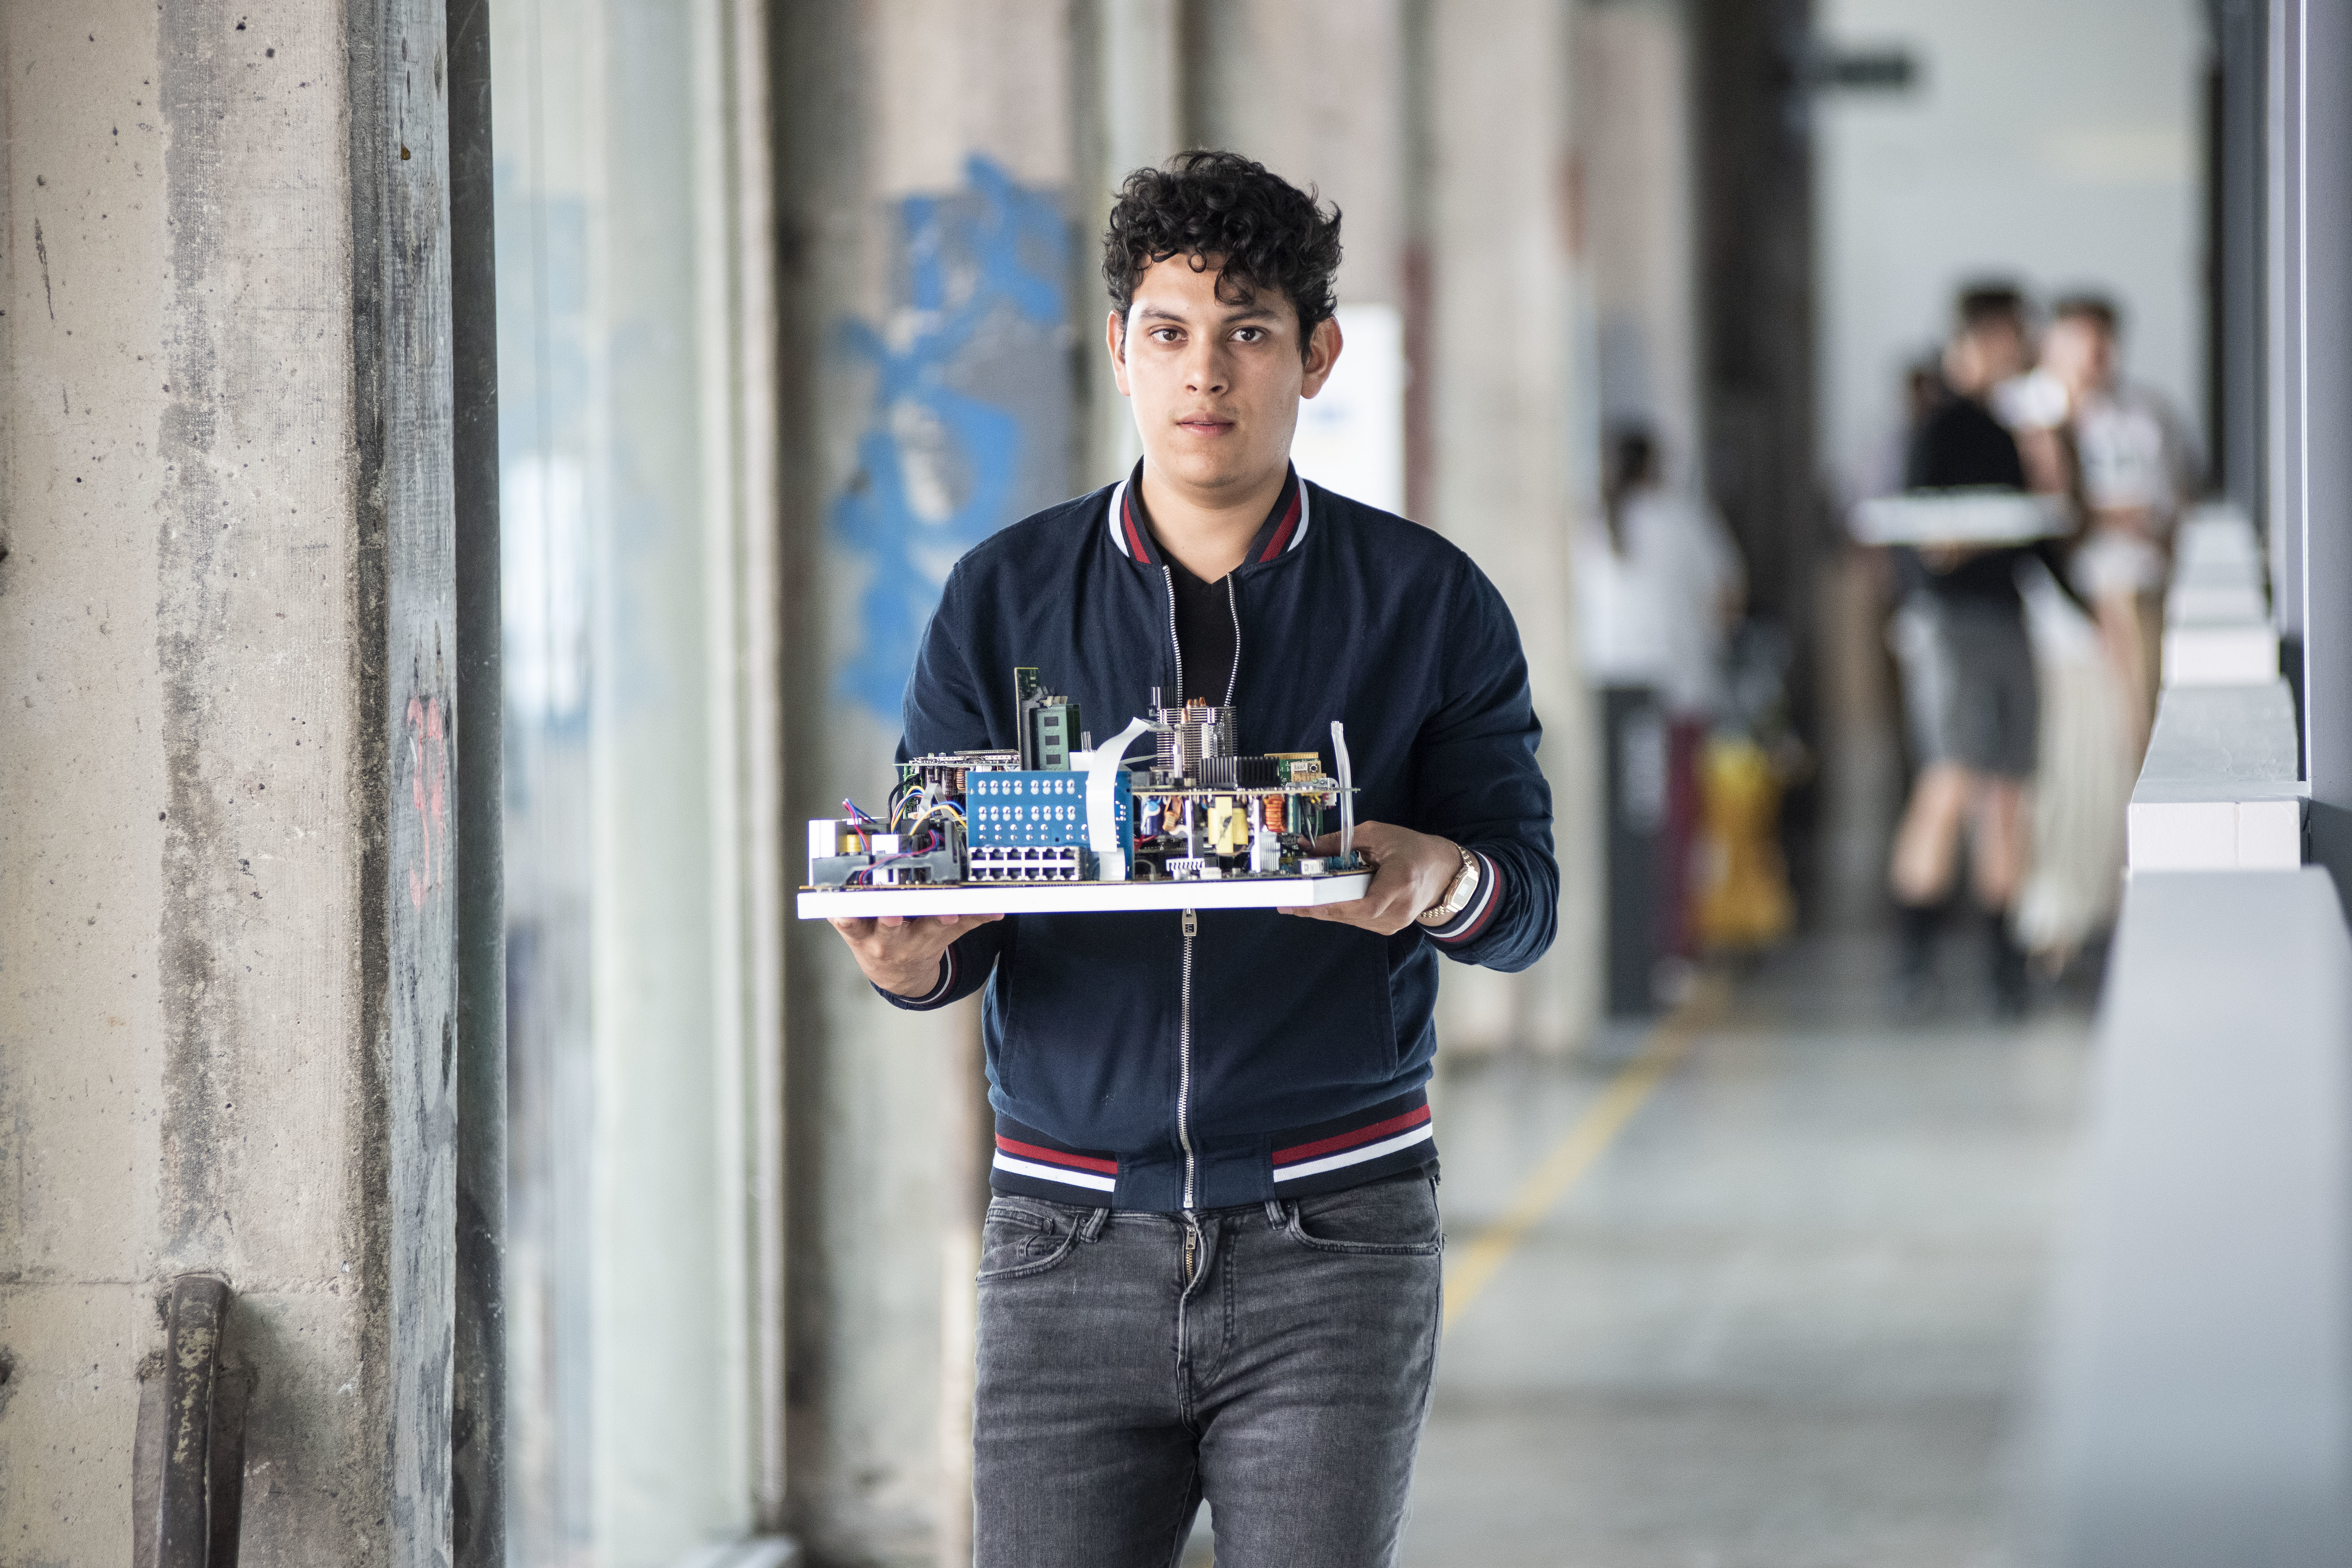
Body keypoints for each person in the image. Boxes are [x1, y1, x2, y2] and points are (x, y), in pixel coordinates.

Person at [827, 151, 1557, 1567]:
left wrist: (1439, 880)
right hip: (1063, 1238)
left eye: (1247, 334)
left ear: (1316, 356)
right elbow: (956, 906)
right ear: (1118, 350)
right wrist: (912, 963)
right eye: (1167, 332)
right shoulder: (1001, 598)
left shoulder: (1427, 602)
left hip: (1335, 1234)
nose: (1203, 374)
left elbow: (1523, 902)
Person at [1887, 284, 2077, 1015]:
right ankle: (1913, 960)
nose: (2019, 350)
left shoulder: (2009, 432)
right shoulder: (1932, 427)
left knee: (2007, 790)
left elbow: (2035, 546)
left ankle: (2004, 962)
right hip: (1951, 625)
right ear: (1978, 338)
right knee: (1950, 780)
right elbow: (1911, 545)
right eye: (2010, 336)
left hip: (2007, 621)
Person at [1577, 425, 1744, 975]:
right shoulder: (1682, 519)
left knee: (1619, 826)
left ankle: (1619, 952)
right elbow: (1726, 595)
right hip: (1676, 692)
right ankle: (1671, 947)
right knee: (1673, 824)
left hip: (1608, 695)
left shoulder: (1590, 523)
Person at [2039, 293, 2198, 757]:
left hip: (2137, 584)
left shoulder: (2146, 414)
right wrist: (2105, 514)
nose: (2093, 357)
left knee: (2137, 731)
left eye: (2102, 343)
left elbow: (2169, 501)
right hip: (2057, 603)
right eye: (2080, 343)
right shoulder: (2030, 413)